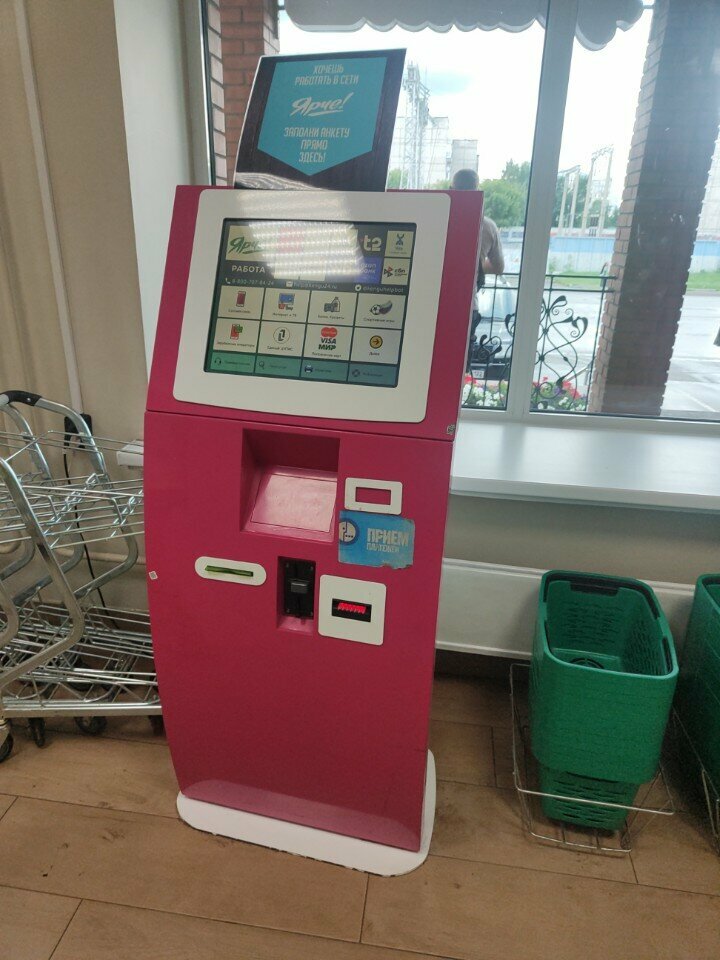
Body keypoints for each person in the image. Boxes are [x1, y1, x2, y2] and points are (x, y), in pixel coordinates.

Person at [451, 168, 505, 372]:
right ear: (477, 190)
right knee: (458, 365)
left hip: (433, 302)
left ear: (452, 189)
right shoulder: (487, 225)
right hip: (467, 304)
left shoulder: (437, 216)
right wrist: (474, 264)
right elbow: (498, 266)